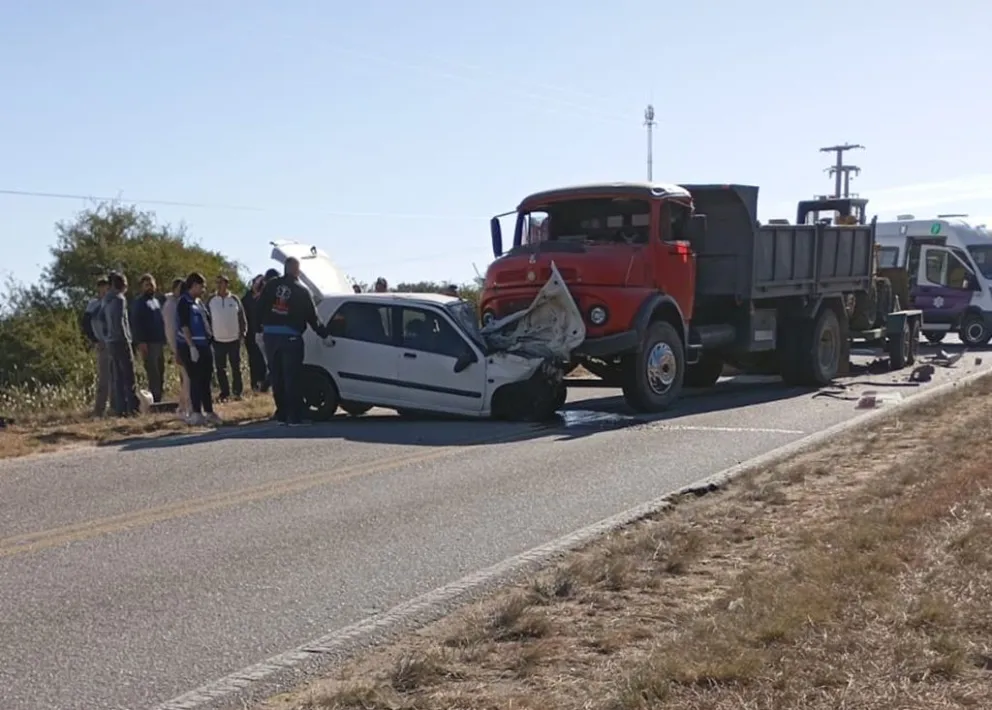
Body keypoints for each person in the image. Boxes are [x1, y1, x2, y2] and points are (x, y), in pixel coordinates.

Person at [257, 258, 327, 426]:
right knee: (292, 377)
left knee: (277, 377)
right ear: (296, 270)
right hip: (291, 338)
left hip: (271, 337)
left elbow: (259, 307)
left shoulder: (271, 286)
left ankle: (281, 415)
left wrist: (260, 328)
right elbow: (312, 316)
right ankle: (294, 417)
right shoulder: (301, 290)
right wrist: (325, 334)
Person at [176, 272, 221, 426]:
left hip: (204, 345)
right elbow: (184, 326)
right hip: (192, 345)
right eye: (201, 286)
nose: (203, 289)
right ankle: (196, 412)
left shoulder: (199, 303)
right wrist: (191, 346)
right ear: (194, 285)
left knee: (206, 380)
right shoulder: (184, 302)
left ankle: (209, 411)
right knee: (195, 379)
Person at [99, 271, 139, 416]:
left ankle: (120, 408)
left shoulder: (105, 300)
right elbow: (120, 322)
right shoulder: (120, 299)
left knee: (117, 376)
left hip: (111, 341)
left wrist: (106, 336)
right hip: (121, 340)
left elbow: (102, 320)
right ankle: (133, 408)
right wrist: (127, 339)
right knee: (129, 375)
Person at [207, 274, 247, 401]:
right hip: (218, 340)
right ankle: (224, 392)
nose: (219, 285)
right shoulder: (211, 300)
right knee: (220, 368)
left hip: (234, 339)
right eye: (217, 282)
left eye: (222, 282)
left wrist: (243, 333)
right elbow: (206, 318)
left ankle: (237, 392)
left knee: (236, 367)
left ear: (226, 284)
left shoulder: (234, 299)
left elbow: (242, 317)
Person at [130, 273, 167, 402]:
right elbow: (136, 323)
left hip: (158, 341)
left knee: (161, 371)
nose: (150, 287)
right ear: (142, 287)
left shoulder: (157, 301)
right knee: (153, 372)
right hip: (148, 343)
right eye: (147, 285)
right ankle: (155, 400)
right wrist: (140, 342)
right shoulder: (139, 303)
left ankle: (160, 397)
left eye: (151, 284)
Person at [82, 277, 111, 417]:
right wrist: (94, 340)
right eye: (102, 287)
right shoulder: (93, 304)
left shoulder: (112, 302)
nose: (105, 289)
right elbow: (86, 324)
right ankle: (99, 410)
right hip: (102, 343)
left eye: (107, 286)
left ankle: (116, 407)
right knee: (104, 378)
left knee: (116, 376)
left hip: (113, 342)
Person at [162, 277, 191, 420]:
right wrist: (176, 349)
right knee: (188, 377)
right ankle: (186, 408)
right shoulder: (170, 306)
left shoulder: (182, 303)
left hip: (186, 345)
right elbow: (171, 329)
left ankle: (183, 407)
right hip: (179, 346)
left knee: (188, 378)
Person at [242, 274, 268, 392]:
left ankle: (264, 384)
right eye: (256, 283)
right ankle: (255, 384)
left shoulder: (266, 297)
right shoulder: (246, 299)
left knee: (264, 360)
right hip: (250, 335)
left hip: (264, 334)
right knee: (253, 360)